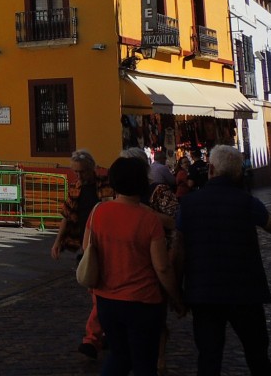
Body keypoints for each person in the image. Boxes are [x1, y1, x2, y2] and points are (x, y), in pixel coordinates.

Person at [173, 144, 271, 376]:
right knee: (257, 355)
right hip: (245, 292)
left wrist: (177, 291)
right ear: (238, 173)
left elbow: (179, 250)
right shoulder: (245, 201)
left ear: (211, 169)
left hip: (204, 293)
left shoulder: (189, 204)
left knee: (209, 358)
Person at [86, 156, 184, 376]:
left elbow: (88, 251)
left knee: (119, 357)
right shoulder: (149, 219)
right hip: (142, 302)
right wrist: (176, 298)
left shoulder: (97, 212)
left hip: (107, 301)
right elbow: (162, 267)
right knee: (144, 363)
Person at [51, 148, 113, 360]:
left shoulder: (104, 185)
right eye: (75, 172)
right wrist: (58, 242)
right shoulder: (75, 188)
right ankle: (103, 334)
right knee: (97, 291)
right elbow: (67, 215)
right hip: (87, 246)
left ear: (91, 168)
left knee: (99, 293)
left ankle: (93, 338)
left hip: (107, 242)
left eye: (82, 172)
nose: (78, 176)